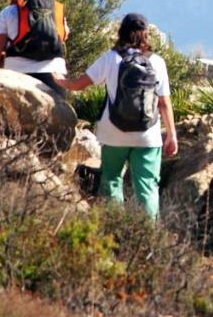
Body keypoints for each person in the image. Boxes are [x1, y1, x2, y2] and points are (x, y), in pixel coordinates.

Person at [57, 13, 178, 218]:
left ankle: (115, 228)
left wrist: (59, 80)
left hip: (114, 132)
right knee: (147, 186)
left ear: (121, 32)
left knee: (111, 178)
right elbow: (164, 103)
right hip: (148, 135)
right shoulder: (157, 62)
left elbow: (79, 85)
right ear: (145, 34)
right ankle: (147, 236)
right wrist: (172, 135)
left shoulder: (111, 58)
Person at [0, 0, 69, 95]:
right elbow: (64, 36)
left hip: (17, 73)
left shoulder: (8, 12)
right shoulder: (55, 11)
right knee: (59, 112)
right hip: (54, 74)